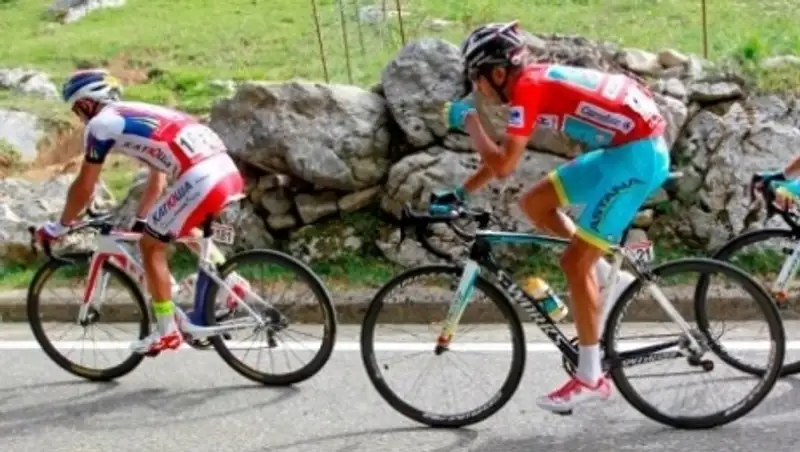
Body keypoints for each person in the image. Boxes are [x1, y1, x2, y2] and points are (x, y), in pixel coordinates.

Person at [434, 21, 669, 413]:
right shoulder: (530, 83)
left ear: (497, 73)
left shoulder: (528, 89)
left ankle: (591, 377)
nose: (476, 87)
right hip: (623, 150)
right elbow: (504, 156)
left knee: (574, 262)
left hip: (637, 157)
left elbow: (504, 165)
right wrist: (462, 192)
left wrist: (470, 121)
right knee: (535, 203)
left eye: (476, 76)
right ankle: (606, 280)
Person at [34, 69, 247, 355]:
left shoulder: (101, 125)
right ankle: (233, 284)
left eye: (76, 109)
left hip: (201, 178)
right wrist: (141, 220)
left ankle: (167, 332)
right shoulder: (137, 113)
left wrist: (60, 226)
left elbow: (85, 185)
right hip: (226, 171)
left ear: (86, 103)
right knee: (181, 228)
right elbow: (157, 178)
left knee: (150, 247)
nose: (78, 116)